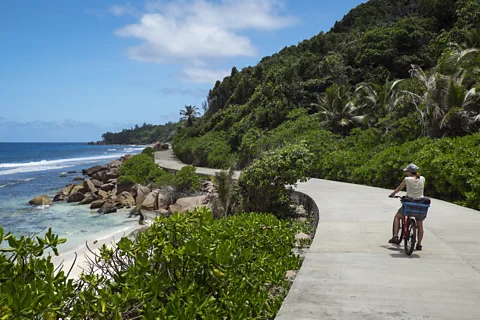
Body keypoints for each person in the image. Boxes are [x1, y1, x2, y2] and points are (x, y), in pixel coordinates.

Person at [388, 163, 426, 250]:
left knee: (397, 217)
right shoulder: (423, 178)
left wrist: (393, 194)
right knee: (420, 224)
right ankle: (419, 244)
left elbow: (399, 188)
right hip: (421, 204)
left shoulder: (407, 179)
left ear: (410, 172)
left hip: (409, 203)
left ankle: (395, 236)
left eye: (407, 171)